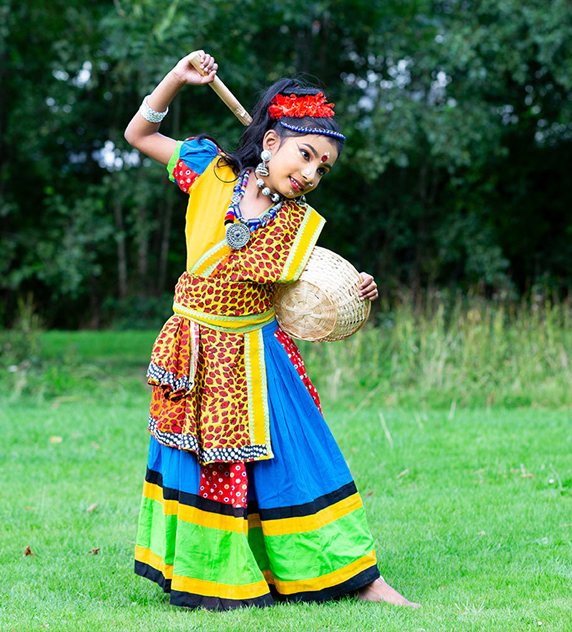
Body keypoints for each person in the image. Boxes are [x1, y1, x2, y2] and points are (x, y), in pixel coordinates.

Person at [123, 51, 418, 610]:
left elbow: (309, 295)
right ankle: (214, 575)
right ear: (270, 141)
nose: (309, 173)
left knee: (300, 460)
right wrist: (176, 81)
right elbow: (139, 133)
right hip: (195, 352)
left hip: (259, 356)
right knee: (204, 462)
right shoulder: (209, 172)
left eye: (322, 169)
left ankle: (361, 578)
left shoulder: (297, 224)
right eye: (305, 154)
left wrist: (356, 291)